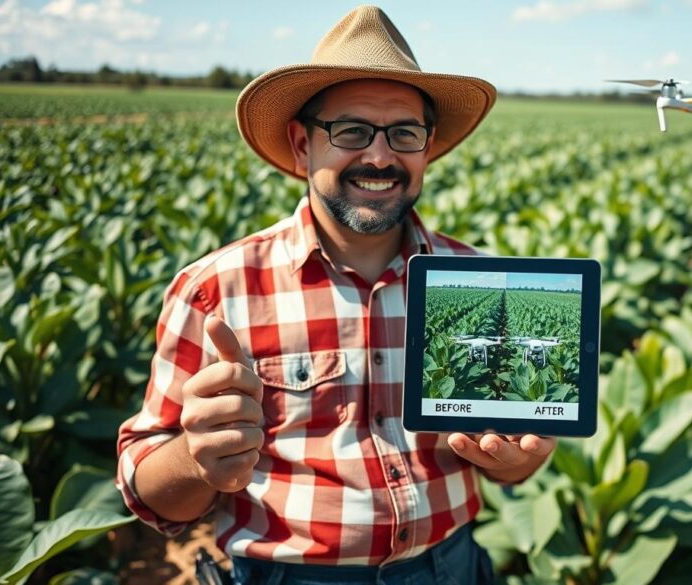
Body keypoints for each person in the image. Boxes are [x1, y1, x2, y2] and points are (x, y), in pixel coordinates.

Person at [116, 5, 556, 583]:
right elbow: (149, 492)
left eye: (404, 133)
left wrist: (518, 463)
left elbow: (508, 461)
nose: (379, 156)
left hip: (451, 567)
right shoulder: (215, 291)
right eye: (350, 131)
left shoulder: (484, 283)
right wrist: (197, 457)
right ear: (302, 145)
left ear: (427, 147)